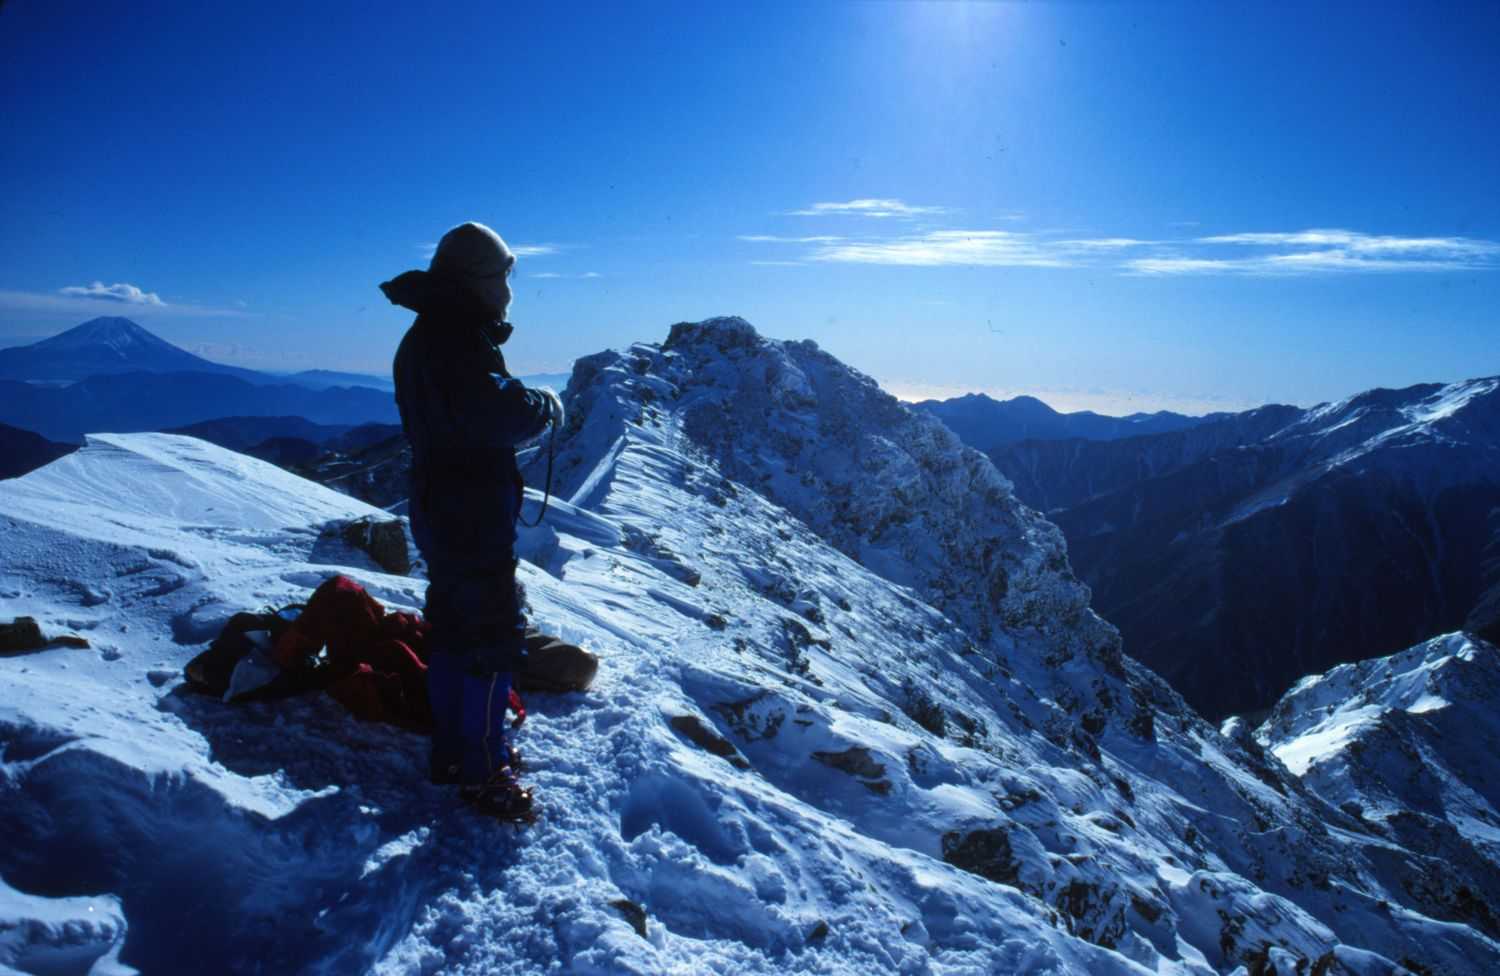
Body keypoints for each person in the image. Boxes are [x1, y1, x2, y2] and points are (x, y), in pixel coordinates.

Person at [381, 221, 563, 822]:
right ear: (480, 280)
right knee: (490, 631)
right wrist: (541, 403)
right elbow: (497, 412)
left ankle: (454, 749)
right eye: (504, 276)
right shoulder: (455, 336)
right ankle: (484, 767)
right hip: (470, 505)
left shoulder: (432, 333)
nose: (509, 290)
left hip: (440, 498)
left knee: (454, 624)